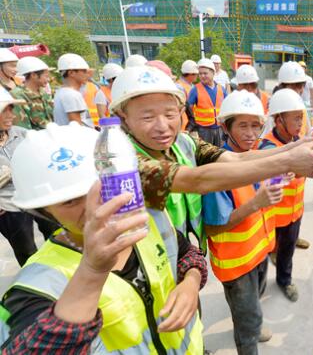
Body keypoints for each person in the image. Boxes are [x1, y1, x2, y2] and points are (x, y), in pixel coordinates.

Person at [0, 122, 207, 353]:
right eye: (70, 201)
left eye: (100, 189)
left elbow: (187, 254)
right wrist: (91, 271)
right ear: (43, 211)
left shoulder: (149, 220)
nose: (94, 207)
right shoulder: (36, 284)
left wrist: (190, 282)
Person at [109, 66, 313, 253]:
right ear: (122, 118)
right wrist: (288, 161)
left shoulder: (184, 142)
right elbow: (197, 181)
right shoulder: (121, 163)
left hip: (184, 256)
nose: (162, 126)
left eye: (170, 114)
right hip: (151, 264)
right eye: (148, 117)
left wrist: (294, 147)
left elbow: (236, 159)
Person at [203, 90, 282, 354]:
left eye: (256, 126)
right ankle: (250, 334)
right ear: (225, 128)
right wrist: (255, 203)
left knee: (253, 305)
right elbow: (213, 228)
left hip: (259, 252)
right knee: (246, 322)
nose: (251, 134)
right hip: (237, 265)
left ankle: (253, 325)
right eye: (243, 126)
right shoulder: (219, 171)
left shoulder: (256, 157)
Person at [258, 89, 308, 302]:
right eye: (295, 118)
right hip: (272, 217)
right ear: (279, 120)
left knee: (287, 250)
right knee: (262, 255)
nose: (300, 123)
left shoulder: (298, 140)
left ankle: (284, 281)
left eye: (301, 117)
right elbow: (263, 180)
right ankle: (257, 291)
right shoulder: (268, 146)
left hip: (294, 213)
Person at [0, 88, 57, 266]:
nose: (11, 115)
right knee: (26, 251)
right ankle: (36, 278)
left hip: (36, 196)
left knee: (56, 235)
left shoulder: (22, 134)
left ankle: (60, 272)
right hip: (8, 207)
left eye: (11, 109)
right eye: (4, 110)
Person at [187, 58, 228, 147]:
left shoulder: (221, 89)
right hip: (203, 130)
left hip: (219, 129)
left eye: (205, 73)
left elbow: (227, 107)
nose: (202, 76)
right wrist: (192, 127)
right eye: (200, 73)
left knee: (221, 152)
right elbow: (189, 109)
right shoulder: (195, 90)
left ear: (213, 73)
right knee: (206, 153)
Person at [11, 56, 54, 130]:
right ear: (33, 75)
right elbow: (22, 129)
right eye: (46, 76)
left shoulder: (43, 93)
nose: (48, 79)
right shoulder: (17, 96)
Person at [53, 53, 93, 128]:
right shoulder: (71, 94)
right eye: (84, 71)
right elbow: (76, 127)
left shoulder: (61, 92)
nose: (87, 74)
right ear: (71, 73)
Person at [177, 60, 199, 132]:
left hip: (192, 123)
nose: (197, 76)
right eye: (196, 74)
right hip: (185, 126)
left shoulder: (192, 86)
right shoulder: (179, 87)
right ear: (190, 74)